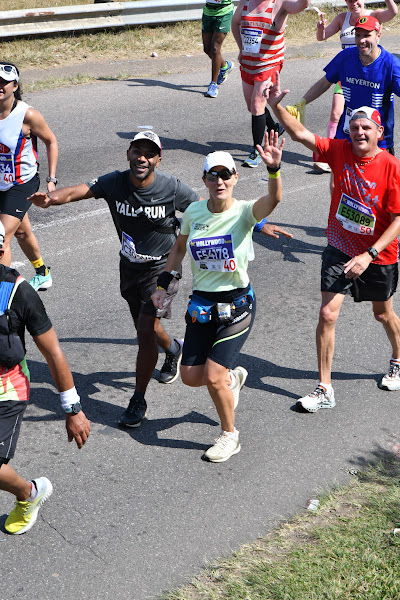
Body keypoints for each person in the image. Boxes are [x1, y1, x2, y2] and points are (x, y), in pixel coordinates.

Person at [28, 131, 200, 428]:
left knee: (145, 331)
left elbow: (204, 210)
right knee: (148, 327)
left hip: (162, 269)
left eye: (149, 153)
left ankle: (138, 398)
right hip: (130, 268)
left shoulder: (171, 188)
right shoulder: (115, 182)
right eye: (137, 151)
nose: (142, 158)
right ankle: (173, 349)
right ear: (128, 153)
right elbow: (76, 192)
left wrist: (252, 222)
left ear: (159, 159)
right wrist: (50, 200)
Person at [268, 71, 400, 412]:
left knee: (382, 314)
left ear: (379, 133)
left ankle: (398, 359)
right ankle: (324, 387)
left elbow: (399, 219)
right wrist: (274, 107)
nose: (359, 132)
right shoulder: (339, 151)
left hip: (378, 254)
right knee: (327, 313)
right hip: (340, 246)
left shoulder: (391, 167)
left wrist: (370, 254)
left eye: (366, 128)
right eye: (354, 127)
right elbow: (299, 135)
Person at [152, 130, 284, 462]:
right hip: (202, 305)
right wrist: (163, 286)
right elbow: (179, 249)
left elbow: (273, 201)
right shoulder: (195, 213)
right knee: (190, 376)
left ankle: (230, 435)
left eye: (226, 174)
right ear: (205, 180)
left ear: (235, 178)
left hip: (238, 306)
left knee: (211, 376)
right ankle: (231, 378)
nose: (220, 181)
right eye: (214, 175)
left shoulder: (243, 212)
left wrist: (273, 171)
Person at [0, 221, 90, 535]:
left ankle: (28, 493)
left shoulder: (18, 292)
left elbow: (53, 352)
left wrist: (73, 408)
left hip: (7, 389)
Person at [286, 16, 400, 155]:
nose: (362, 40)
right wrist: (302, 102)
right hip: (347, 135)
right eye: (358, 35)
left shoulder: (391, 64)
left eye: (367, 35)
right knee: (340, 175)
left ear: (378, 35)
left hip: (378, 141)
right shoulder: (345, 57)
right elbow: (324, 82)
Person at [313, 0, 397, 172]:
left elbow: (393, 12)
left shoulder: (375, 16)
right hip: (346, 73)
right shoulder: (342, 19)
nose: (353, 3)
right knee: (337, 112)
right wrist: (321, 28)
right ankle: (331, 152)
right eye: (349, 0)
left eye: (366, 35)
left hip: (371, 76)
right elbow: (321, 38)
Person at [0, 62, 57, 291]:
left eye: (4, 82)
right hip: (1, 183)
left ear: (15, 85)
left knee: (2, 238)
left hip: (21, 184)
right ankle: (42, 273)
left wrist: (52, 180)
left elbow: (51, 141)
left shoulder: (27, 115)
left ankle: (3, 295)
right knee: (22, 232)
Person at [231, 0, 309, 167]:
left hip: (269, 63)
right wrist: (241, 48)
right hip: (248, 62)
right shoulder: (246, 2)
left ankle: (258, 151)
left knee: (257, 104)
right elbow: (235, 22)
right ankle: (274, 126)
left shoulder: (280, 3)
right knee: (251, 107)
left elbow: (301, 6)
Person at [202, 0, 235, 98]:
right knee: (207, 49)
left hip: (224, 11)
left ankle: (213, 84)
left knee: (215, 48)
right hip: (208, 11)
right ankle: (225, 66)